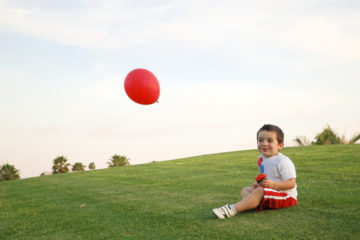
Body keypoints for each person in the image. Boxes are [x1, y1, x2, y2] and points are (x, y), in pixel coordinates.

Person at [212, 124, 297, 219]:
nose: (264, 143)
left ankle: (233, 209)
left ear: (280, 145)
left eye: (269, 140)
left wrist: (272, 185)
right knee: (245, 190)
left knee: (260, 191)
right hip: (269, 192)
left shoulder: (283, 161)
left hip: (286, 196)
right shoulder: (260, 159)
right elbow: (267, 177)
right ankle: (254, 204)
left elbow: (291, 183)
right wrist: (259, 183)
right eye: (260, 140)